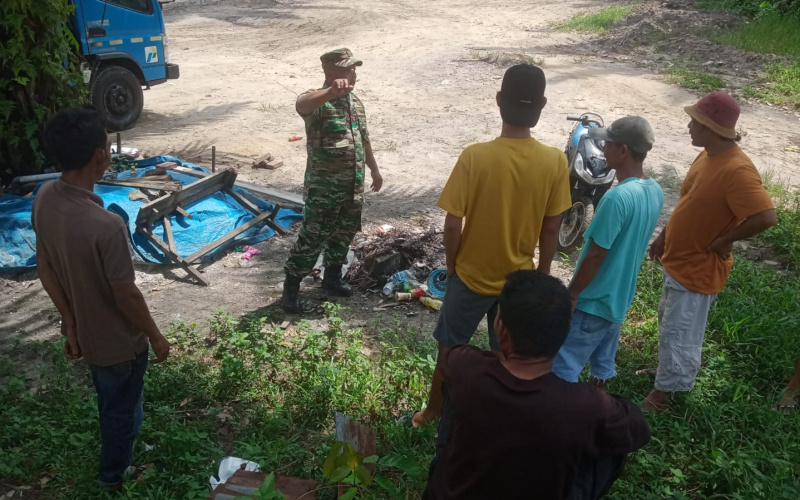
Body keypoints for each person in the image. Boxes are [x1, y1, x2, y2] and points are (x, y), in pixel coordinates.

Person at [412, 64, 572, 427]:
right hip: (518, 284)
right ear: (543, 105)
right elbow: (551, 229)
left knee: (450, 349)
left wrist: (452, 266)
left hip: (470, 277)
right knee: (510, 357)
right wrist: (541, 275)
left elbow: (452, 223)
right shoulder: (554, 162)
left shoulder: (475, 156)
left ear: (499, 100)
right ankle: (500, 420)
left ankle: (432, 412)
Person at [33, 107, 171, 489]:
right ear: (100, 155)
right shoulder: (107, 226)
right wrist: (156, 336)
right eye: (107, 146)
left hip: (87, 334)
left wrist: (70, 320)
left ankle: (122, 457)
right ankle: (114, 477)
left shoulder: (44, 197)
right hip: (119, 345)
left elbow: (44, 264)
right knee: (121, 412)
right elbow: (126, 294)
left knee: (114, 403)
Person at [423, 270, 651, 500]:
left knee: (453, 395)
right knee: (611, 438)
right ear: (565, 331)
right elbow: (638, 429)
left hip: (450, 493)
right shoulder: (584, 406)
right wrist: (597, 400)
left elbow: (448, 358)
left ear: (500, 328)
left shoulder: (466, 366)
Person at [642, 92, 777, 412]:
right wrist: (664, 236)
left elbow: (766, 216)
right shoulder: (707, 155)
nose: (688, 127)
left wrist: (725, 240)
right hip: (679, 261)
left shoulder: (737, 170)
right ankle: (668, 371)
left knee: (681, 331)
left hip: (698, 268)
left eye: (694, 122)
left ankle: (662, 396)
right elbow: (688, 200)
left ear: (710, 127)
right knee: (669, 323)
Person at [552, 116, 664, 389]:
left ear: (623, 150)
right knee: (601, 369)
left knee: (563, 368)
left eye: (608, 144)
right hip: (617, 301)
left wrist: (572, 294)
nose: (603, 149)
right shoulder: (655, 191)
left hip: (592, 302)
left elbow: (595, 255)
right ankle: (598, 408)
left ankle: (561, 412)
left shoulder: (616, 199)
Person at [281, 48, 383, 313]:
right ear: (328, 71)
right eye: (346, 68)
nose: (352, 73)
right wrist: (330, 93)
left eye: (354, 68)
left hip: (352, 186)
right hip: (324, 189)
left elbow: (364, 139)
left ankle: (332, 279)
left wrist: (374, 170)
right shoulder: (317, 101)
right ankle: (291, 289)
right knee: (313, 236)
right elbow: (301, 105)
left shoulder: (355, 102)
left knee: (343, 233)